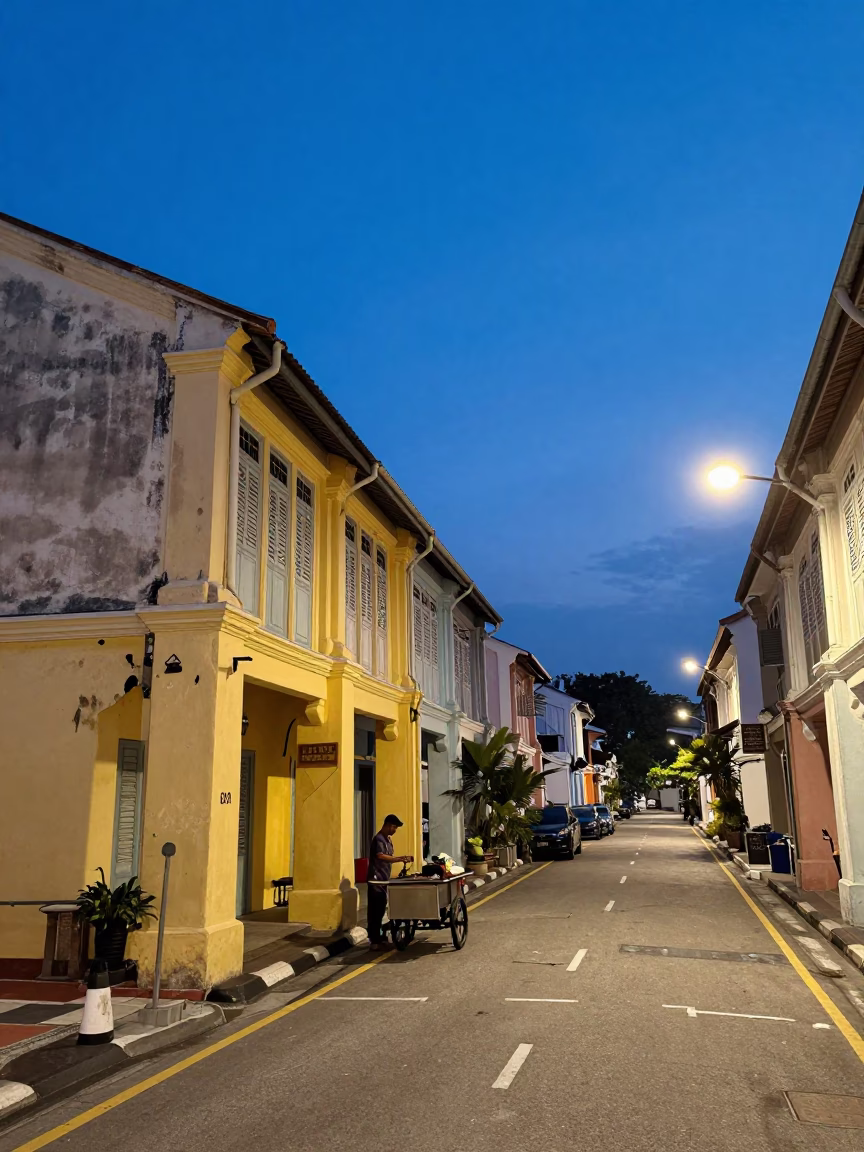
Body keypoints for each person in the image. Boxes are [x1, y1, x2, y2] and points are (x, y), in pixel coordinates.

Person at [367, 814, 413, 951]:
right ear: (387, 825)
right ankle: (374, 940)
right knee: (375, 911)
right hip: (376, 880)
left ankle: (380, 937)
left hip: (384, 880)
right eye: (394, 827)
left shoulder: (388, 840)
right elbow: (380, 856)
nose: (394, 830)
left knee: (381, 909)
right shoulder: (379, 839)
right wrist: (399, 859)